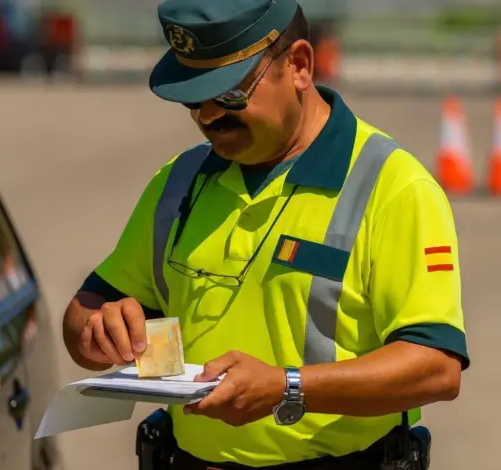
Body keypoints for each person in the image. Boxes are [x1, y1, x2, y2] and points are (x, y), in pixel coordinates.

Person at [61, 0, 468, 468]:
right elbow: (86, 311)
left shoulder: (392, 188)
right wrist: (95, 333)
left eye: (230, 94)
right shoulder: (179, 182)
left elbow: (437, 368)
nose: (209, 116)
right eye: (193, 99)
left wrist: (288, 386)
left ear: (298, 65)